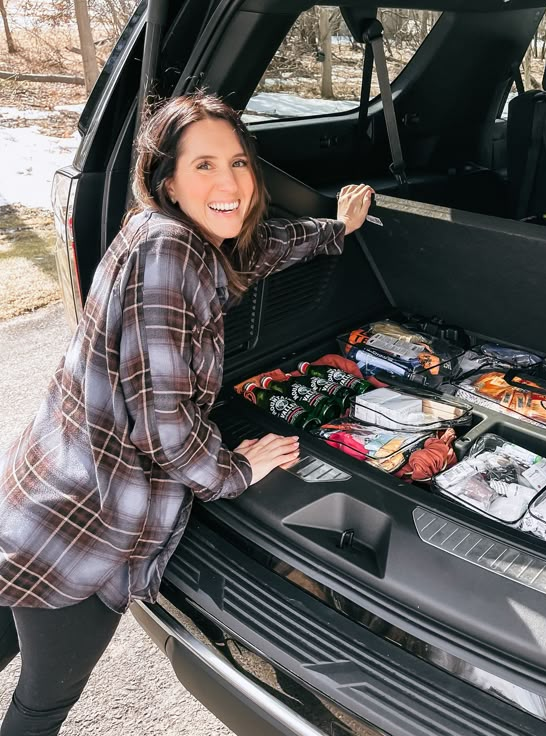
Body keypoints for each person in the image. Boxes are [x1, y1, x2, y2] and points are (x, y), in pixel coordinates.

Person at [0, 92, 374, 735]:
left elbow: (252, 251)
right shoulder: (170, 257)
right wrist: (236, 471)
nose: (229, 182)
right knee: (43, 702)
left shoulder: (170, 234)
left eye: (238, 161)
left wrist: (334, 230)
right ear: (167, 179)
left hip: (41, 493)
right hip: (84, 529)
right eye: (204, 165)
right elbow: (166, 427)